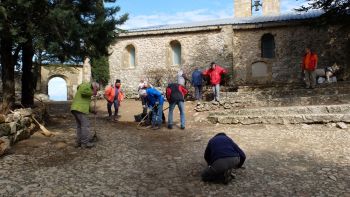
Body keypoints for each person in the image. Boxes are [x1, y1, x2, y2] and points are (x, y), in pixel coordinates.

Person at [71, 82, 100, 148]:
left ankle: (79, 142)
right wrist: (93, 92)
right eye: (95, 89)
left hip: (76, 109)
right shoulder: (85, 85)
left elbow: (86, 103)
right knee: (85, 126)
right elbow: (83, 92)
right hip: (80, 109)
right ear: (94, 87)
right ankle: (85, 143)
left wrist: (92, 111)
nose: (95, 91)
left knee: (80, 126)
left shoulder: (88, 91)